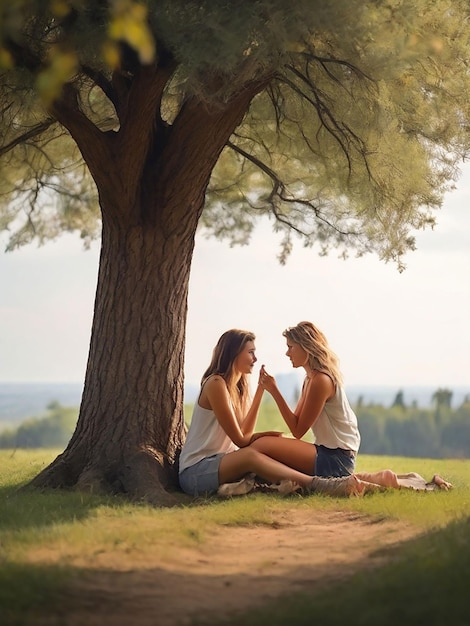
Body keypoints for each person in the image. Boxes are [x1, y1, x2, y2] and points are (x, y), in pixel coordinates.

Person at [252, 321, 452, 492]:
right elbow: (296, 423)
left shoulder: (321, 380)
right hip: (332, 453)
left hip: (335, 458)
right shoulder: (310, 379)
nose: (287, 353)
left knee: (263, 445)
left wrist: (274, 391)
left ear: (306, 347)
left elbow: (297, 431)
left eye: (291, 346)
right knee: (266, 444)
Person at [178, 329, 377, 498]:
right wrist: (260, 436)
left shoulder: (235, 388)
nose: (255, 359)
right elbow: (241, 440)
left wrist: (260, 391)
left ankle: (351, 482)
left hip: (219, 463)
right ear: (234, 353)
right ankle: (316, 484)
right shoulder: (216, 384)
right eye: (251, 352)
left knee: (258, 451)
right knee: (250, 455)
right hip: (197, 471)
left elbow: (244, 435)